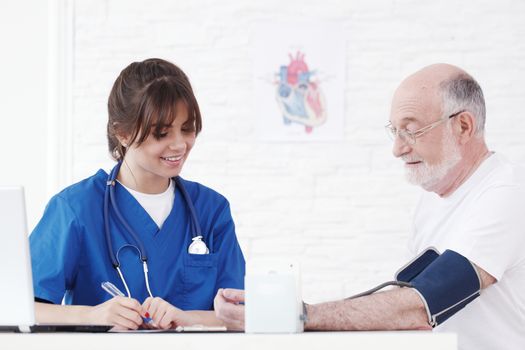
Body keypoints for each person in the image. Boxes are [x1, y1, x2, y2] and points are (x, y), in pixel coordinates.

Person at [214, 64, 525, 349]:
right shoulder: (432, 198)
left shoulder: (506, 193)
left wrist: (298, 316)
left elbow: (424, 304)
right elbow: (405, 300)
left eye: (411, 130)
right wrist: (292, 314)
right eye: (394, 131)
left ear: (464, 127)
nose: (398, 149)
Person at [30, 58, 245, 330]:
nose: (179, 144)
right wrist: (92, 316)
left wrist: (185, 318)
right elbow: (20, 307)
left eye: (187, 128)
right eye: (162, 133)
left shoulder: (211, 210)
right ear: (122, 133)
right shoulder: (75, 208)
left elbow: (241, 313)